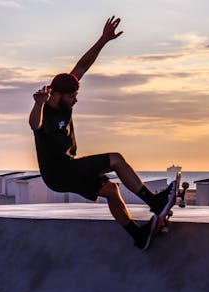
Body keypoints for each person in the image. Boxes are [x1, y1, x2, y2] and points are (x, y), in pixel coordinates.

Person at [29, 16, 176, 250]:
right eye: (72, 96)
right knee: (116, 159)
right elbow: (34, 125)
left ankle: (138, 236)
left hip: (65, 171)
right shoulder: (45, 110)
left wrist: (104, 39)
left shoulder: (64, 91)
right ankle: (155, 202)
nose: (75, 100)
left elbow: (83, 65)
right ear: (58, 94)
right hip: (60, 172)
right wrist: (38, 104)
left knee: (111, 190)